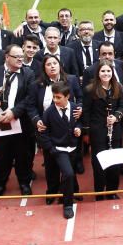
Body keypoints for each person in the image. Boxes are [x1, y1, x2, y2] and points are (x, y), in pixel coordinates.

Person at [0, 44, 38, 198]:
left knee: (23, 156)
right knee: (1, 156)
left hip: (22, 124)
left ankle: (24, 183)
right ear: (7, 57)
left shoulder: (29, 73)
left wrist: (14, 112)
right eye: (16, 56)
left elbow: (30, 98)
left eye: (21, 56)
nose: (20, 59)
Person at [37, 81, 82, 219]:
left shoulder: (75, 108)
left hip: (73, 148)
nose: (55, 100)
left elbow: (80, 122)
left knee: (71, 173)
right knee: (67, 173)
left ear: (67, 96)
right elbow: (43, 133)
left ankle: (72, 191)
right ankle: (67, 205)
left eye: (58, 97)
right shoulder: (49, 112)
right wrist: (52, 149)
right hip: (59, 149)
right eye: (54, 97)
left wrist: (79, 128)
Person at [82, 62, 123, 199]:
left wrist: (116, 117)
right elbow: (87, 112)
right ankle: (100, 192)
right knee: (99, 163)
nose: (106, 74)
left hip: (115, 131)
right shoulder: (90, 89)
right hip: (98, 132)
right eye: (103, 71)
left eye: (108, 71)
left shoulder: (117, 87)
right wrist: (87, 132)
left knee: (114, 163)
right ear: (98, 73)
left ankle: (112, 191)